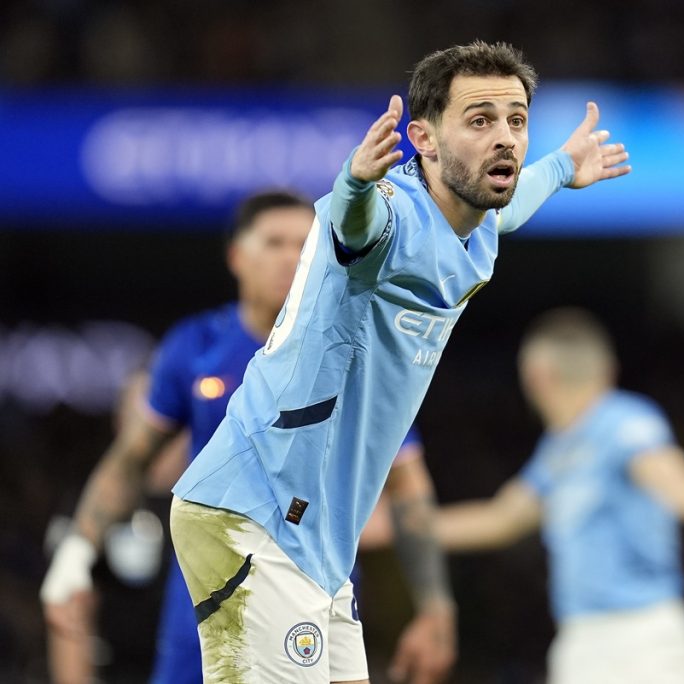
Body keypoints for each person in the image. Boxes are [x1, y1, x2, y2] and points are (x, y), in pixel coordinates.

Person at [169, 40, 630, 683]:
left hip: (318, 539)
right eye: (480, 120)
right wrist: (354, 181)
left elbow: (513, 202)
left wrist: (560, 167)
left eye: (516, 120)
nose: (505, 138)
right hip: (257, 510)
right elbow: (358, 225)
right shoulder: (392, 215)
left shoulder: (476, 221)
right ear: (424, 140)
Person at [40, 191, 454, 684]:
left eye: (304, 244)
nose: (290, 256)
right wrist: (77, 551)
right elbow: (131, 458)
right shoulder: (195, 347)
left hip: (313, 594)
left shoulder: (359, 356)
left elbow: (408, 489)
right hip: (203, 596)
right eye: (274, 242)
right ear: (237, 256)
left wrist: (435, 606)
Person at [435, 308, 684, 684]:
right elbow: (501, 519)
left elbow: (673, 477)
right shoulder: (558, 450)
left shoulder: (625, 419)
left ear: (538, 377)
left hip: (641, 639)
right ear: (607, 369)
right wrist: (402, 526)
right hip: (581, 640)